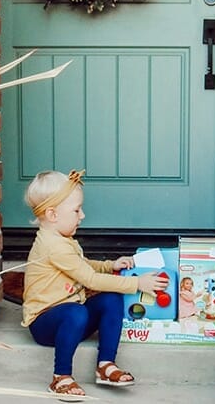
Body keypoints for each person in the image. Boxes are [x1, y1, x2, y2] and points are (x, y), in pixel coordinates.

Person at [22, 169, 169, 400]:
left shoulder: (62, 239)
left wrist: (110, 265)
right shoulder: (53, 246)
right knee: (76, 312)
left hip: (73, 316)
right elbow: (89, 279)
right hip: (45, 323)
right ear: (52, 214)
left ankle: (106, 364)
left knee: (110, 298)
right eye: (76, 210)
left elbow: (83, 265)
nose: (82, 215)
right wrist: (136, 283)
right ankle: (60, 376)